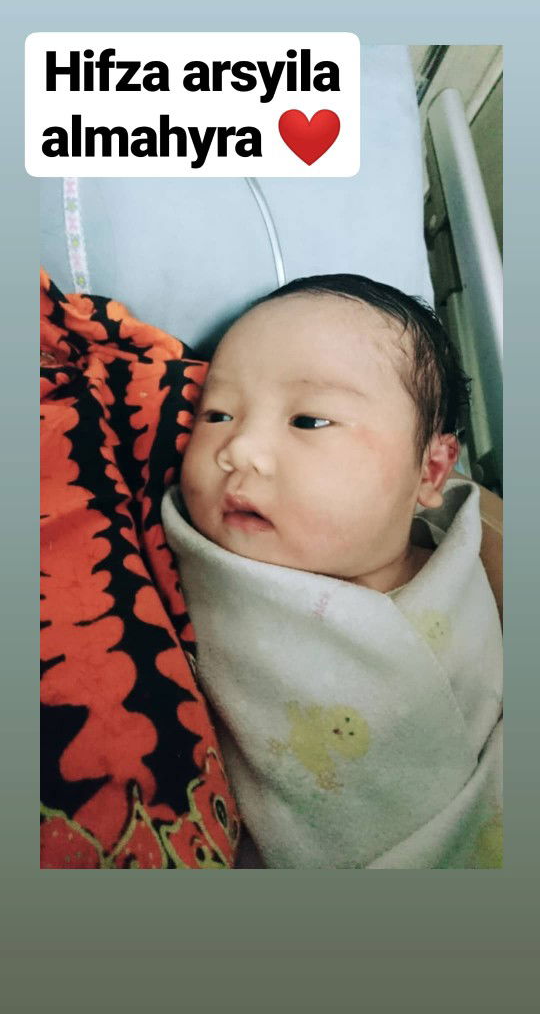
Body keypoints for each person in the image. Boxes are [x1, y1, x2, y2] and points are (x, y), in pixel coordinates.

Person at [162, 274, 503, 868]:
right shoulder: (169, 567)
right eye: (216, 414)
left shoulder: (481, 558)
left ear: (430, 471)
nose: (238, 449)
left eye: (309, 421)